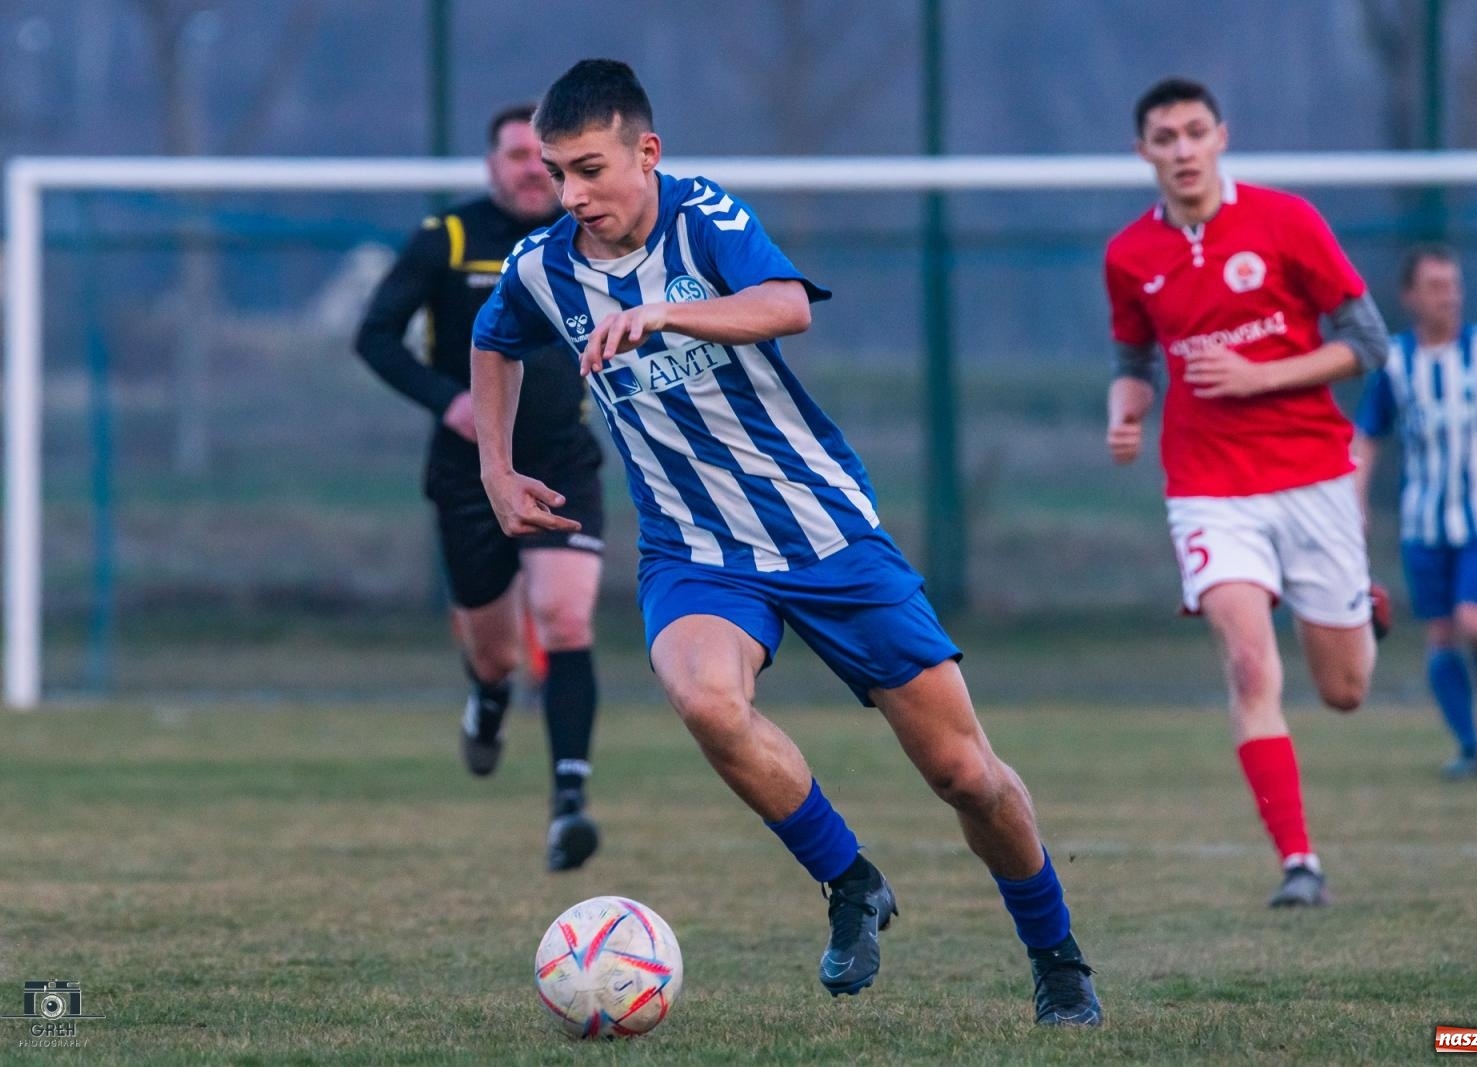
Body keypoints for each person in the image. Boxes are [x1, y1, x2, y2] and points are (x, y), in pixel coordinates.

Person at [470, 58, 1101, 1026]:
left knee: (963, 772)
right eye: (558, 173)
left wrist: (664, 312)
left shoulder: (702, 218)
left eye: (590, 168)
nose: (571, 194)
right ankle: (849, 881)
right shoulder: (541, 267)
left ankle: (1055, 953)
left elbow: (785, 303)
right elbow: (494, 337)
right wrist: (496, 469)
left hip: (825, 534)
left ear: (647, 151)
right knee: (705, 701)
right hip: (693, 549)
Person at [1102, 78, 1392, 908]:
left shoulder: (1287, 221)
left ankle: (1357, 604)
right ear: (1144, 152)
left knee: (1344, 692)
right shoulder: (1128, 255)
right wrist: (1125, 414)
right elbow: (1131, 362)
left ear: (1222, 137)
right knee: (1247, 656)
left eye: (1196, 132)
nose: (1183, 150)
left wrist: (1263, 374)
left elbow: (1367, 342)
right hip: (1207, 487)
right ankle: (1299, 862)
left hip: (1312, 476)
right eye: (1166, 137)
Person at [354, 103, 606, 872]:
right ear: (492, 164)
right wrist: (450, 401)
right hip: (468, 472)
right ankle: (489, 697)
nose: (532, 168)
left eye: (544, 156)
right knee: (494, 651)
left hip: (563, 458)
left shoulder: (589, 236)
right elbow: (374, 335)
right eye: (516, 155)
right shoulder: (450, 239)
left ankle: (569, 802)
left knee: (564, 619)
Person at [1353, 243, 1477, 779]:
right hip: (1423, 524)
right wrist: (1352, 505)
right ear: (1410, 296)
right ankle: (1470, 749)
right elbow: (1367, 439)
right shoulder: (1395, 363)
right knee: (1441, 633)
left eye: (1455, 285)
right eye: (1437, 287)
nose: (1450, 297)